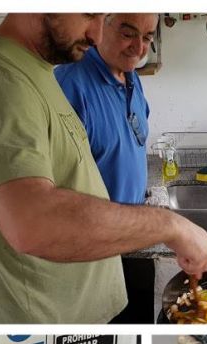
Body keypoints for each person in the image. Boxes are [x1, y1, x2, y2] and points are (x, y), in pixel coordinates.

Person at [0, 13, 207, 324]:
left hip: (77, 310)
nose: (95, 35)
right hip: (44, 323)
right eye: (89, 13)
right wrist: (170, 226)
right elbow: (33, 223)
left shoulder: (33, 72)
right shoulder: (0, 81)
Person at [55, 13, 158, 322]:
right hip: (96, 255)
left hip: (134, 240)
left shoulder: (131, 77)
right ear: (100, 25)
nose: (138, 48)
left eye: (148, 37)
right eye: (129, 33)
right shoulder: (68, 86)